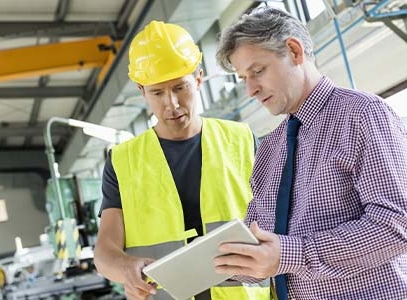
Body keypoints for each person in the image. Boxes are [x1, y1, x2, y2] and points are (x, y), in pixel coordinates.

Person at [213, 7, 407, 300]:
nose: (251, 89)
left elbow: (396, 224)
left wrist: (293, 254)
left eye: (258, 71)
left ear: (293, 51)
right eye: (243, 78)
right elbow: (262, 245)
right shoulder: (269, 150)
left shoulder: (362, 115)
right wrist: (207, 266)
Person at [93, 20, 269, 300]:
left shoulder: (242, 140)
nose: (171, 104)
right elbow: (105, 251)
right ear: (142, 92)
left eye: (179, 88)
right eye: (157, 92)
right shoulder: (122, 162)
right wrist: (126, 268)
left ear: (198, 79)